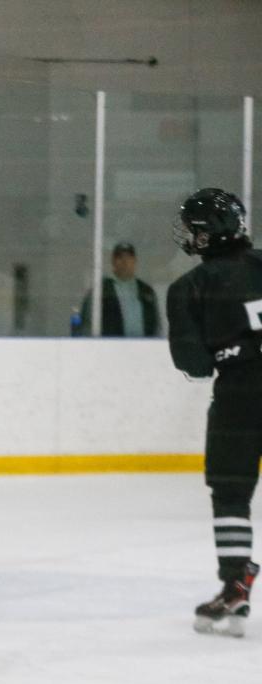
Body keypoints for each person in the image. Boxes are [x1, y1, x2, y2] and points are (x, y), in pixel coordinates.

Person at [167, 187, 261, 637]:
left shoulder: (189, 288)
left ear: (205, 236)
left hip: (239, 398)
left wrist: (227, 347)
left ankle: (235, 584)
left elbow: (194, 365)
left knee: (231, 493)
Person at [77, 242, 160, 337]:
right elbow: (88, 327)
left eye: (129, 257)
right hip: (111, 349)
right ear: (113, 262)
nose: (125, 262)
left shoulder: (146, 291)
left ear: (135, 261)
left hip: (145, 349)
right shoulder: (101, 291)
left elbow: (157, 327)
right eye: (120, 257)